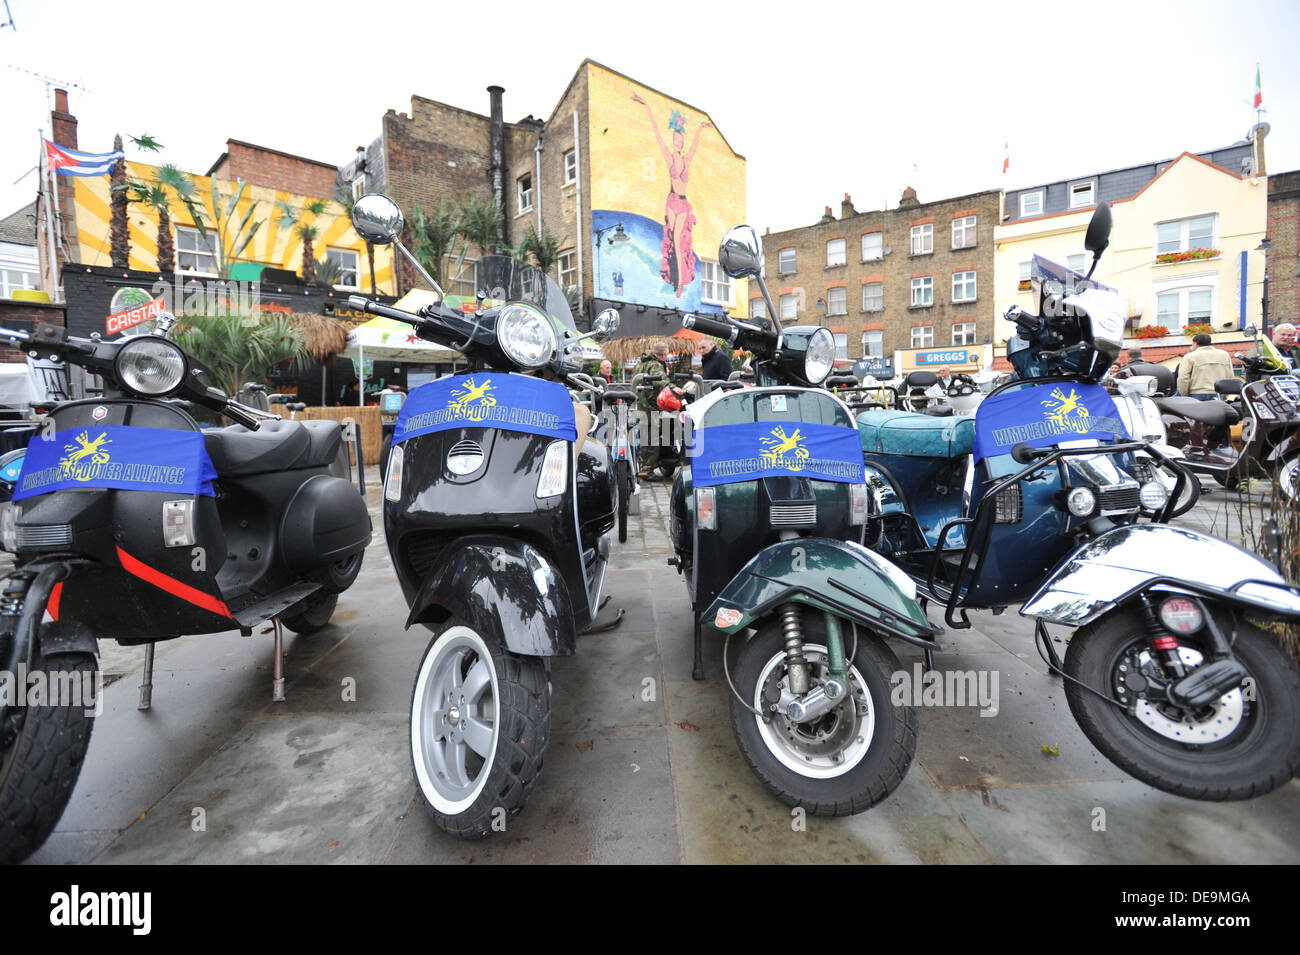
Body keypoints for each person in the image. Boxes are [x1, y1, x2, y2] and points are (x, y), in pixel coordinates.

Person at [632, 93, 711, 296]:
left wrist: (700, 129)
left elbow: (694, 146)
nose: (678, 142)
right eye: (676, 139)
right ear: (673, 140)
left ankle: (680, 283)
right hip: (672, 201)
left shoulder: (686, 159)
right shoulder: (669, 157)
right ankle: (677, 280)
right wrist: (647, 105)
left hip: (683, 204)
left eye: (680, 139)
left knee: (678, 239)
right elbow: (657, 134)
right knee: (673, 240)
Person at [1177, 334, 1235, 400]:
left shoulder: (1190, 356)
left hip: (1197, 393)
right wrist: (1226, 394)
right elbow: (1230, 375)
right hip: (1218, 393)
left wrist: (1184, 394)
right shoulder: (1224, 355)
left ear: (1195, 344)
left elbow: (1183, 377)